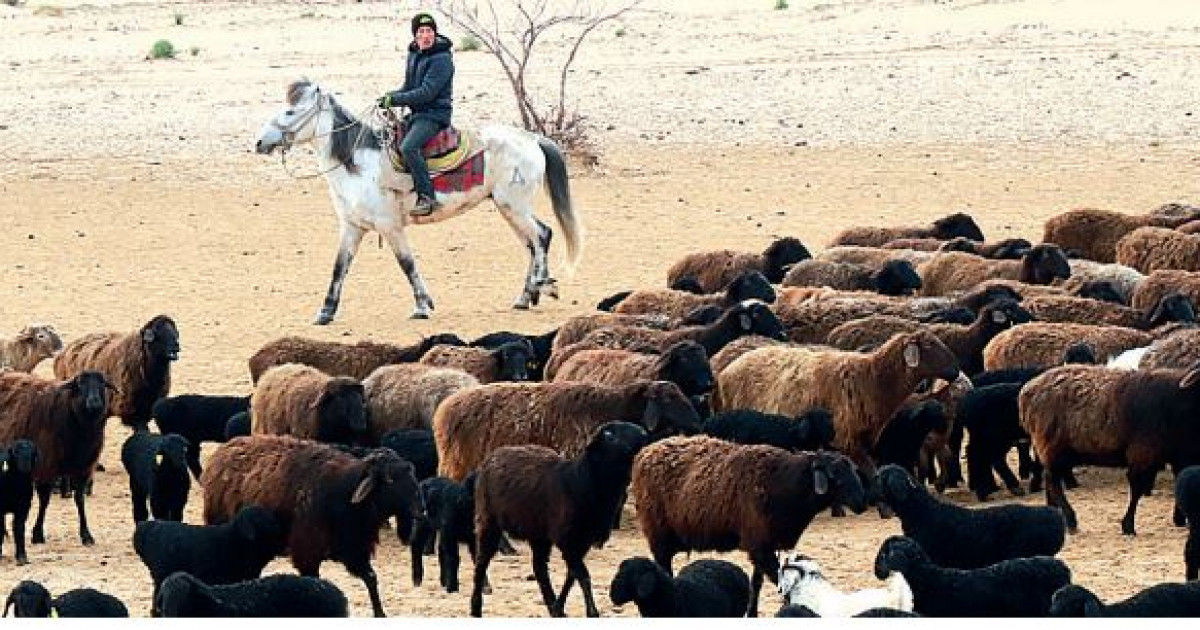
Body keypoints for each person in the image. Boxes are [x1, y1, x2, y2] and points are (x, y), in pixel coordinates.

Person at [377, 12, 455, 216]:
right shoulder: (414, 55)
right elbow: (409, 87)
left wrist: (395, 100)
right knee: (386, 138)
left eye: (429, 31)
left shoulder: (442, 59)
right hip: (418, 114)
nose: (426, 35)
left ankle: (427, 197)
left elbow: (426, 93)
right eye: (421, 31)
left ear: (435, 34)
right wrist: (389, 96)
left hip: (434, 115)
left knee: (409, 147)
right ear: (415, 36)